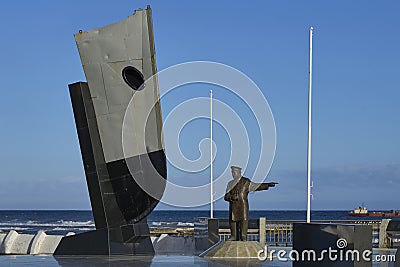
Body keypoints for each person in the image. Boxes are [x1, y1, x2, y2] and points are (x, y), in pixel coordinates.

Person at [224, 166, 278, 241]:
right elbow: (226, 196)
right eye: (232, 172)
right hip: (233, 206)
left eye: (234, 172)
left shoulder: (245, 182)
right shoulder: (230, 184)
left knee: (243, 220)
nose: (233, 174)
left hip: (243, 206)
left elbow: (256, 186)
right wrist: (231, 197)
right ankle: (233, 235)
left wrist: (267, 185)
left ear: (239, 173)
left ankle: (243, 236)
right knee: (233, 220)